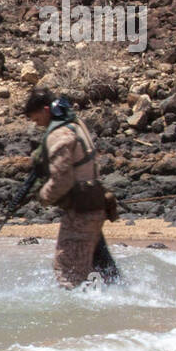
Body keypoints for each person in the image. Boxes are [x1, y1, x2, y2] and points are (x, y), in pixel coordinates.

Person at [22, 88, 113, 287]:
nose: (37, 125)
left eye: (37, 119)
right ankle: (122, 300)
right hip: (96, 204)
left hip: (81, 212)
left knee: (67, 271)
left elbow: (61, 180)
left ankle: (75, 314)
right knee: (103, 268)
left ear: (46, 110)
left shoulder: (59, 134)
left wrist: (43, 196)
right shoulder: (75, 123)